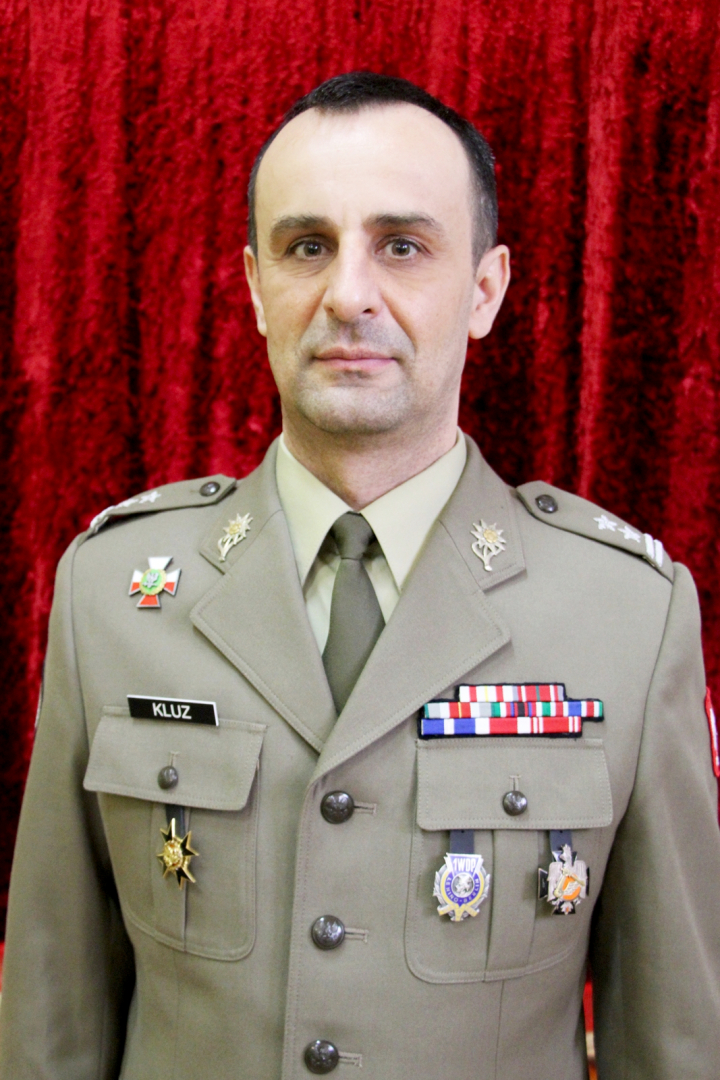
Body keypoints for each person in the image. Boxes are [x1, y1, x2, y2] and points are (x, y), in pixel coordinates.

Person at [1, 71, 719, 1080]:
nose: (347, 295)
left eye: (402, 245)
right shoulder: (110, 593)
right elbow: (50, 1022)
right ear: (256, 288)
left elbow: (678, 1039)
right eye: (307, 246)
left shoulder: (628, 618)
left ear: (485, 290)